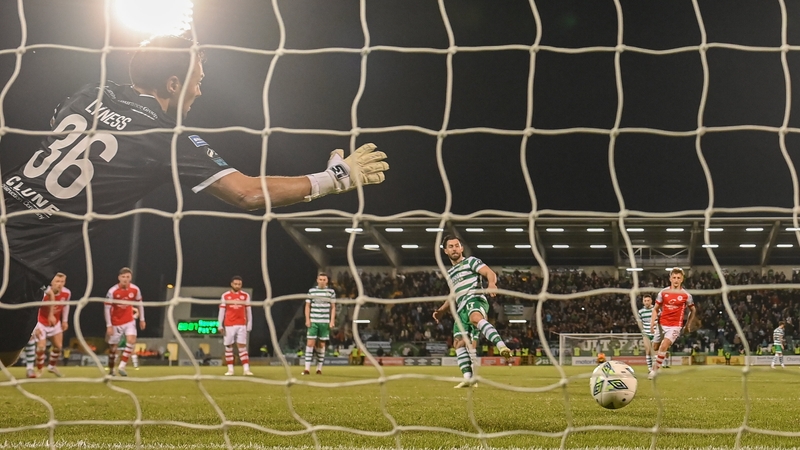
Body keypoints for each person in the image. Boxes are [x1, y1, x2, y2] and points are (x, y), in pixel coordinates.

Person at [0, 34, 389, 368]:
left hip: (9, 219)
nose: (200, 91)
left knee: (10, 354)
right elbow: (248, 192)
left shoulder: (88, 93)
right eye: (198, 81)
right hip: (20, 259)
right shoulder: (167, 137)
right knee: (8, 355)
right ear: (173, 83)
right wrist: (335, 178)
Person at [433, 235, 512, 388]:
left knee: (475, 318)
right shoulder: (450, 274)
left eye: (457, 245)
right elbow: (452, 296)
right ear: (445, 251)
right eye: (451, 246)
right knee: (458, 343)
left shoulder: (471, 261)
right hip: (460, 308)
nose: (455, 248)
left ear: (461, 248)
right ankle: (469, 378)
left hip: (474, 299)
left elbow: (490, 272)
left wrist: (492, 284)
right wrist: (441, 311)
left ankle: (501, 346)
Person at [648, 268, 696, 379]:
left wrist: (688, 324)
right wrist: (652, 323)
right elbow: (655, 309)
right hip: (661, 323)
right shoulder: (663, 293)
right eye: (674, 277)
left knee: (664, 345)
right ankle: (658, 363)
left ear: (682, 279)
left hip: (675, 326)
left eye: (678, 278)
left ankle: (654, 371)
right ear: (670, 278)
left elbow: (693, 310)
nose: (676, 280)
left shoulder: (686, 296)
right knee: (655, 347)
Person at [26, 273, 71, 378]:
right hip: (41, 321)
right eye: (57, 281)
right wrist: (35, 326)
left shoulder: (67, 293)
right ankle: (39, 370)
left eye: (62, 282)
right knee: (41, 347)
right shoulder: (44, 292)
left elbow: (66, 306)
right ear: (52, 282)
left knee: (58, 346)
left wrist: (65, 321)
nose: (60, 284)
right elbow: (36, 309)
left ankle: (51, 366)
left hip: (55, 322)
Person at [105, 267, 145, 376]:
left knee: (131, 341)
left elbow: (140, 304)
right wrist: (109, 325)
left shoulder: (135, 289)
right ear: (119, 278)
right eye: (123, 277)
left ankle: (122, 366)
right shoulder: (112, 291)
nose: (125, 279)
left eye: (127, 277)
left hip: (129, 320)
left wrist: (142, 319)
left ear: (130, 278)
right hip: (115, 322)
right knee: (113, 349)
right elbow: (107, 308)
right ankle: (111, 370)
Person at [217, 276, 252, 376]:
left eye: (239, 284)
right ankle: (230, 370)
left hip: (241, 324)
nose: (237, 286)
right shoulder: (225, 296)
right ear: (231, 284)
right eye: (236, 284)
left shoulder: (245, 296)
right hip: (229, 325)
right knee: (228, 346)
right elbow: (222, 311)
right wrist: (220, 325)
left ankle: (246, 369)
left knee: (242, 347)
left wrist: (249, 323)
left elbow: (248, 310)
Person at [303, 273, 336, 375]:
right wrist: (307, 319)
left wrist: (332, 321)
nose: (322, 281)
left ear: (327, 281)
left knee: (321, 345)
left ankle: (319, 369)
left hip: (324, 322)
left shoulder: (331, 292)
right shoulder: (312, 291)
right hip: (314, 321)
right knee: (310, 343)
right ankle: (307, 369)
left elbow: (333, 307)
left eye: (324, 279)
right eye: (320, 279)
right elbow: (307, 306)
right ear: (317, 280)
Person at [638, 294, 655, 372]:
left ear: (651, 301)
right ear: (643, 302)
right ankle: (650, 368)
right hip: (646, 333)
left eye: (648, 300)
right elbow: (639, 322)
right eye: (645, 301)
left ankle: (655, 368)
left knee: (654, 351)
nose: (647, 302)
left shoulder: (656, 309)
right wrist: (642, 330)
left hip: (655, 332)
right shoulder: (640, 312)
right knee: (648, 350)